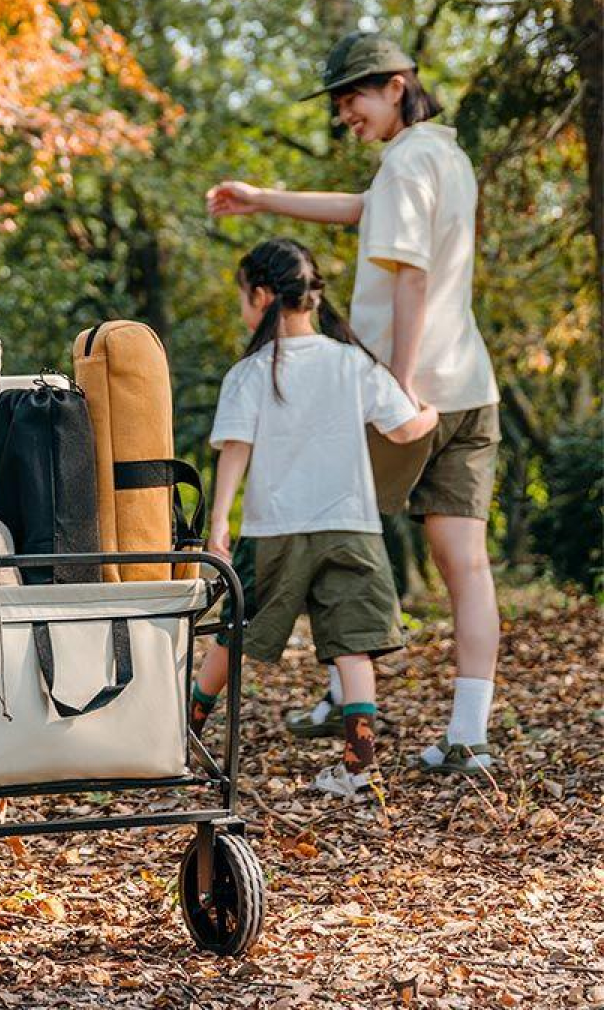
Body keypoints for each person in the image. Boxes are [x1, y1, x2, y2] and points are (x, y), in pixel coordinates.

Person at [207, 32, 501, 776]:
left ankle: (345, 698)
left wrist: (397, 380)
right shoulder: (444, 155)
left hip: (406, 397)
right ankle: (467, 734)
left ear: (396, 86)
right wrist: (262, 198)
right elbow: (361, 209)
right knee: (466, 566)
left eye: (352, 99)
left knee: (331, 532)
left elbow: (411, 277)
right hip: (470, 387)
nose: (345, 116)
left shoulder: (405, 162)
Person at [190, 239, 437, 799]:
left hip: (273, 529)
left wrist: (220, 523)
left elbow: (235, 451)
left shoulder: (250, 373)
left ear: (261, 295)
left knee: (235, 632)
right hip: (351, 527)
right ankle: (359, 769)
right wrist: (431, 413)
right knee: (353, 645)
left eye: (242, 295)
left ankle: (185, 732)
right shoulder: (353, 363)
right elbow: (404, 429)